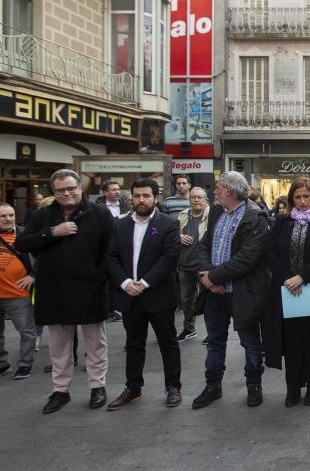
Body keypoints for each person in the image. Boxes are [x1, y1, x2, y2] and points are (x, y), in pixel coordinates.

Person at [17, 169, 114, 414]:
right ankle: (60, 391)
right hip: (54, 289)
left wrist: (98, 277)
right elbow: (22, 243)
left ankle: (97, 387)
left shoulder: (99, 213)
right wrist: (51, 233)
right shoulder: (43, 215)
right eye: (60, 190)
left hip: (90, 289)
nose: (66, 193)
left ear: (80, 188)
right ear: (53, 192)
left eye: (71, 188)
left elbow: (111, 251)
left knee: (96, 344)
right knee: (58, 346)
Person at [192, 171, 272, 410]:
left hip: (243, 292)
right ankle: (212, 386)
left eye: (218, 187)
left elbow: (247, 259)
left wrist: (213, 277)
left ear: (228, 190)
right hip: (214, 293)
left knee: (250, 343)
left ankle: (254, 386)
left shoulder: (255, 217)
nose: (214, 191)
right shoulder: (217, 211)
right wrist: (207, 278)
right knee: (215, 342)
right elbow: (203, 246)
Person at [105, 179, 183, 410]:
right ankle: (133, 387)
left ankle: (173, 387)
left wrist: (145, 283)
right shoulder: (120, 225)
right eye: (137, 196)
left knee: (167, 343)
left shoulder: (168, 223)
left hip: (158, 295)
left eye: (146, 196)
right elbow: (111, 257)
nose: (141, 200)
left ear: (155, 198)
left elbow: (169, 258)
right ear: (131, 198)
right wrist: (126, 282)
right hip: (129, 296)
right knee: (134, 344)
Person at [263, 177, 310, 407]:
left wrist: (301, 276)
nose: (303, 201)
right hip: (288, 291)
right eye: (298, 197)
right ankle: (292, 389)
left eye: (307, 196)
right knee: (292, 340)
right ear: (291, 198)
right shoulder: (281, 222)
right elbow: (270, 252)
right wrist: (287, 278)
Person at [0, 203, 37, 380]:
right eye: (3, 216)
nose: (8, 219)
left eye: (11, 215)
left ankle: (25, 364)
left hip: (17, 294)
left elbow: (43, 256)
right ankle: (2, 363)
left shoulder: (24, 234)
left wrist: (33, 275)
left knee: (27, 331)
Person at [176, 187, 209, 342]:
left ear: (205, 200)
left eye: (200, 197)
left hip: (203, 266)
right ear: (189, 200)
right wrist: (179, 236)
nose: (196, 200)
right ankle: (189, 329)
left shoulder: (212, 215)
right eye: (193, 197)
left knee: (208, 299)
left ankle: (212, 332)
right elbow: (171, 234)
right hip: (185, 264)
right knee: (186, 300)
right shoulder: (182, 216)